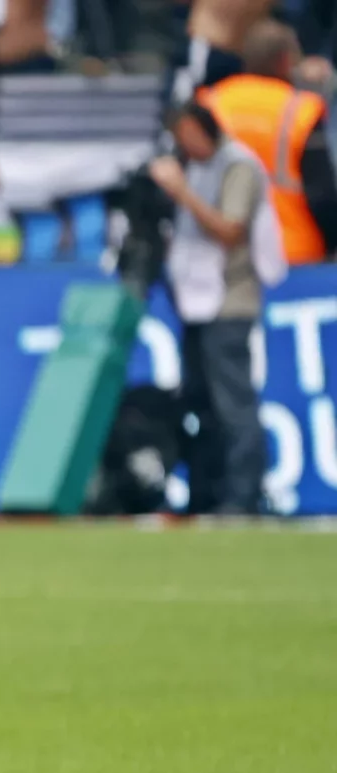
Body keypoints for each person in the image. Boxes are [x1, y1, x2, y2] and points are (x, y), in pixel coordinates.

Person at [150, 101, 286, 515]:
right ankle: (205, 494)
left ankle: (244, 497)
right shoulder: (191, 164)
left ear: (205, 128)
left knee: (234, 403)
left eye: (188, 135)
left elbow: (230, 229)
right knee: (200, 402)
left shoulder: (238, 166)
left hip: (230, 299)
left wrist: (180, 193)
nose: (184, 145)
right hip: (193, 300)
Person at [197, 19, 337, 265]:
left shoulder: (210, 102)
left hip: (222, 253)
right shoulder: (301, 110)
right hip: (293, 253)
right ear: (284, 60)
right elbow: (322, 194)